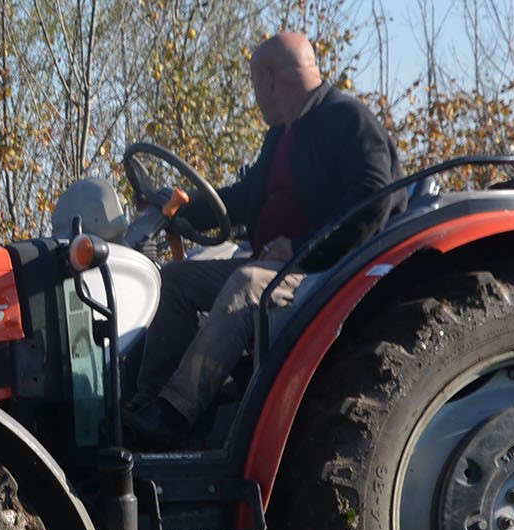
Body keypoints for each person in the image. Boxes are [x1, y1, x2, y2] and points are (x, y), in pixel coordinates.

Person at [126, 30, 402, 450]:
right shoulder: (281, 136)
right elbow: (243, 197)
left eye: (255, 84)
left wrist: (303, 246)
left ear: (270, 79)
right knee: (174, 280)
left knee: (246, 285)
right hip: (276, 266)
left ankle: (176, 414)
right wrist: (180, 209)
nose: (255, 96)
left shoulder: (346, 119)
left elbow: (373, 199)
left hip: (326, 271)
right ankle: (145, 406)